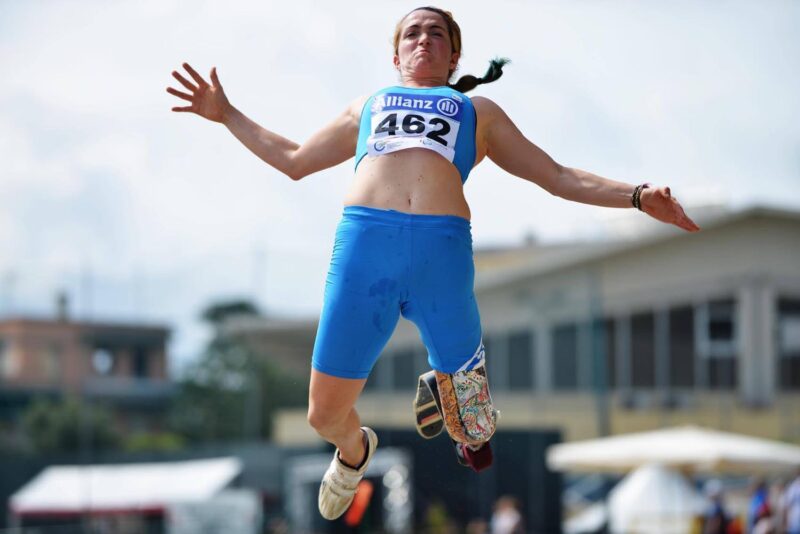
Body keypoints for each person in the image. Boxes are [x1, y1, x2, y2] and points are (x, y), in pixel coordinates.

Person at [167, 6, 699, 521]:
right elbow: (294, 160)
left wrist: (637, 196)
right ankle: (354, 451)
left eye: (436, 33)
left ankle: (449, 391)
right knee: (323, 416)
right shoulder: (368, 105)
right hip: (365, 255)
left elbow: (557, 176)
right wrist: (227, 114)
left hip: (440, 260)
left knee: (477, 436)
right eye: (412, 33)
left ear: (454, 56)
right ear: (395, 55)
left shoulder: (478, 112)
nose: (423, 39)